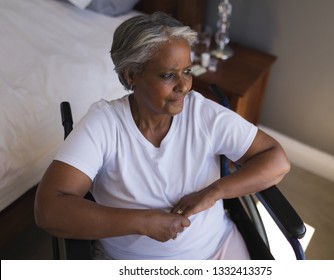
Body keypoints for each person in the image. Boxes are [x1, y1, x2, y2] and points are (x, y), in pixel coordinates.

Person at [34, 11, 290, 260]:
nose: (184, 86)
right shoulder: (104, 124)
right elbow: (49, 210)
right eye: (168, 75)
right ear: (132, 75)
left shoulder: (202, 113)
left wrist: (213, 192)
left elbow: (276, 160)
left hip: (218, 251)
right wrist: (143, 222)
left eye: (187, 71)